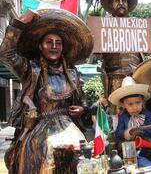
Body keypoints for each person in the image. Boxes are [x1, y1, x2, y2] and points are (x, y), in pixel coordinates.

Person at [0, 9, 93, 173]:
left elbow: (82, 98)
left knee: (81, 153)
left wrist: (83, 108)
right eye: (49, 42)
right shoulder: (31, 69)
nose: (54, 46)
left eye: (58, 43)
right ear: (40, 46)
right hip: (40, 126)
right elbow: (6, 54)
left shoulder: (72, 73)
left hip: (68, 125)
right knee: (48, 152)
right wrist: (20, 23)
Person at [99, 0, 151, 115]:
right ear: (111, 5)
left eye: (124, 0)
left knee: (140, 113)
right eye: (117, 0)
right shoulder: (102, 27)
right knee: (117, 116)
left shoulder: (139, 27)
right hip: (114, 80)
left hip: (136, 78)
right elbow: (91, 48)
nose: (121, 3)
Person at [109, 76, 151, 173]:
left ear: (142, 101)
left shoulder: (147, 114)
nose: (135, 107)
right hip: (137, 154)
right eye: (130, 104)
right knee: (150, 170)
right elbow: (118, 134)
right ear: (123, 104)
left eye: (138, 102)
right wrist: (125, 134)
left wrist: (137, 131)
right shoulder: (122, 117)